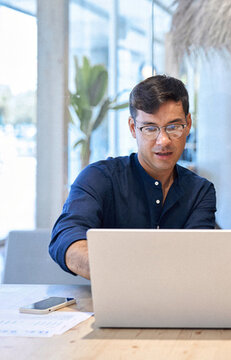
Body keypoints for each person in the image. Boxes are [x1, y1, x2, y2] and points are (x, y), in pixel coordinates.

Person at [49, 75, 216, 279]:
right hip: (108, 302)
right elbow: (65, 238)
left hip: (178, 305)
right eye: (150, 128)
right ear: (132, 128)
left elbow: (197, 258)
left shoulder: (200, 191)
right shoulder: (98, 178)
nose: (163, 141)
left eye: (173, 127)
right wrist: (124, 273)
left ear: (188, 124)